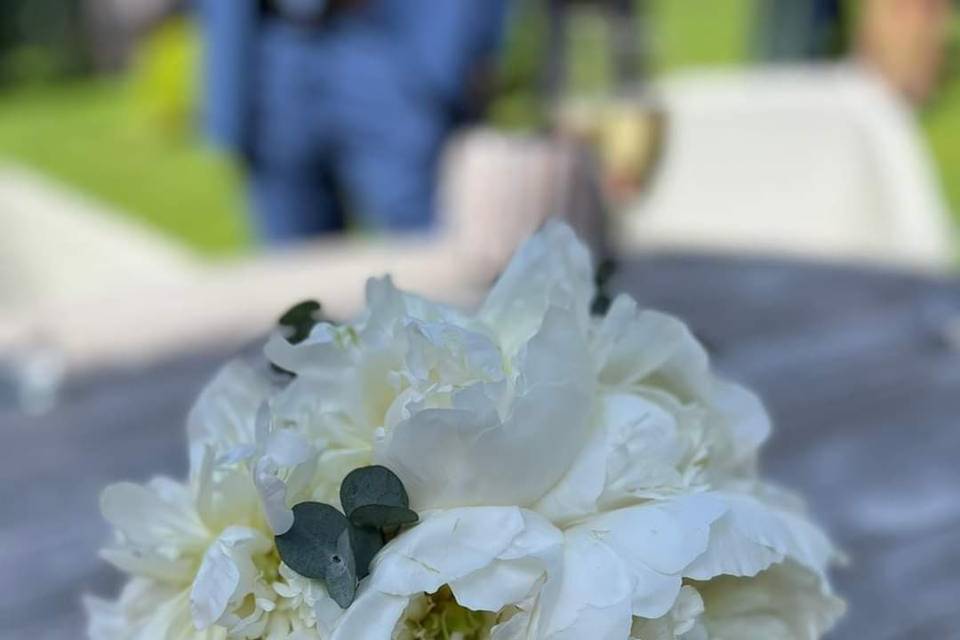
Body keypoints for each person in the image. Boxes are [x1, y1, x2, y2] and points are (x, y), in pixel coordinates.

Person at [198, 0, 510, 243]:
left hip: (385, 43)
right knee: (295, 273)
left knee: (426, 257)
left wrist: (453, 51)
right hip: (271, 49)